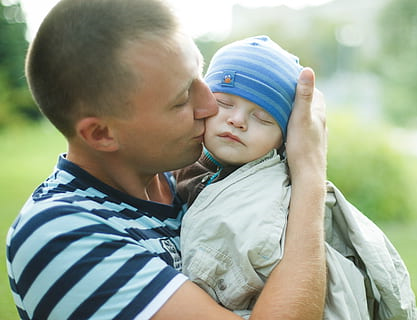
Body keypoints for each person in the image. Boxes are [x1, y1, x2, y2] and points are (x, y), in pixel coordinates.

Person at [5, 0, 327, 319]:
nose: (210, 106)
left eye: (201, 77)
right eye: (182, 98)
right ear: (102, 133)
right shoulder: (61, 235)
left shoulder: (192, 181)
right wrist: (309, 168)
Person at [175, 36, 417, 319]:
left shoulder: (271, 200)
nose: (237, 120)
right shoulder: (178, 163)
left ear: (286, 138)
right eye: (224, 103)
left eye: (263, 118)